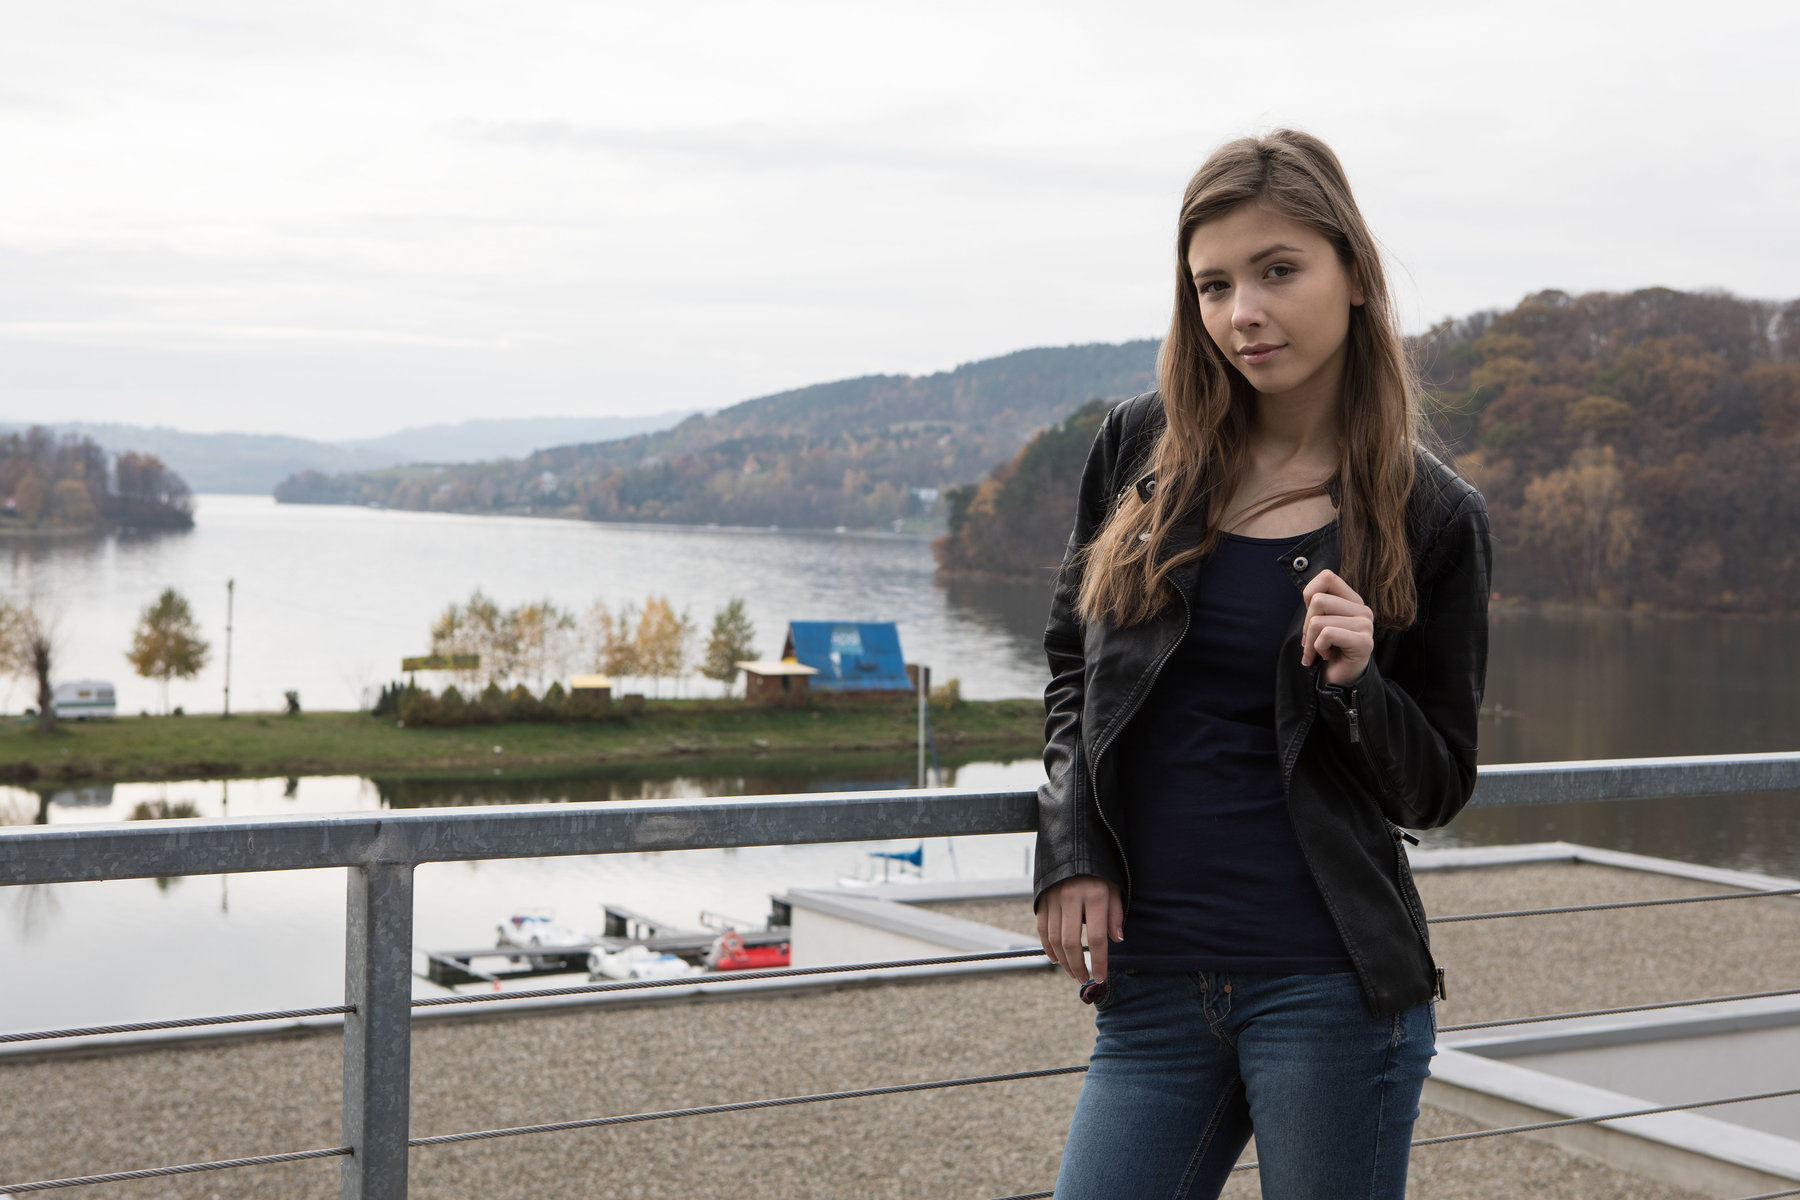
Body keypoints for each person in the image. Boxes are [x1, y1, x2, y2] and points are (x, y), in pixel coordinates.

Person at [1032, 129, 1492, 1199]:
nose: (1244, 311)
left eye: (1278, 271)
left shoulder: (1433, 515)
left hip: (1330, 992)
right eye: (1214, 285)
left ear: (1354, 274)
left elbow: (1437, 786)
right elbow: (1070, 670)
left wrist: (1359, 689)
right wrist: (1071, 846)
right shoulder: (1139, 449)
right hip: (1150, 985)